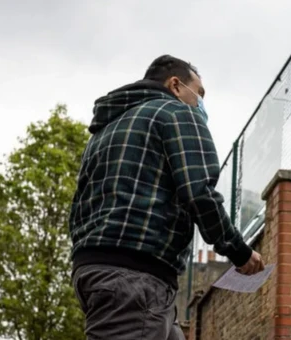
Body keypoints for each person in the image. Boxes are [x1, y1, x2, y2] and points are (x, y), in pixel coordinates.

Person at [68, 55, 265, 340]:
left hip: (94, 270)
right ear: (175, 84)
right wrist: (239, 252)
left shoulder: (105, 132)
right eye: (199, 92)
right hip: (135, 277)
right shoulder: (175, 113)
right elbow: (200, 193)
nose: (200, 102)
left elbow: (78, 207)